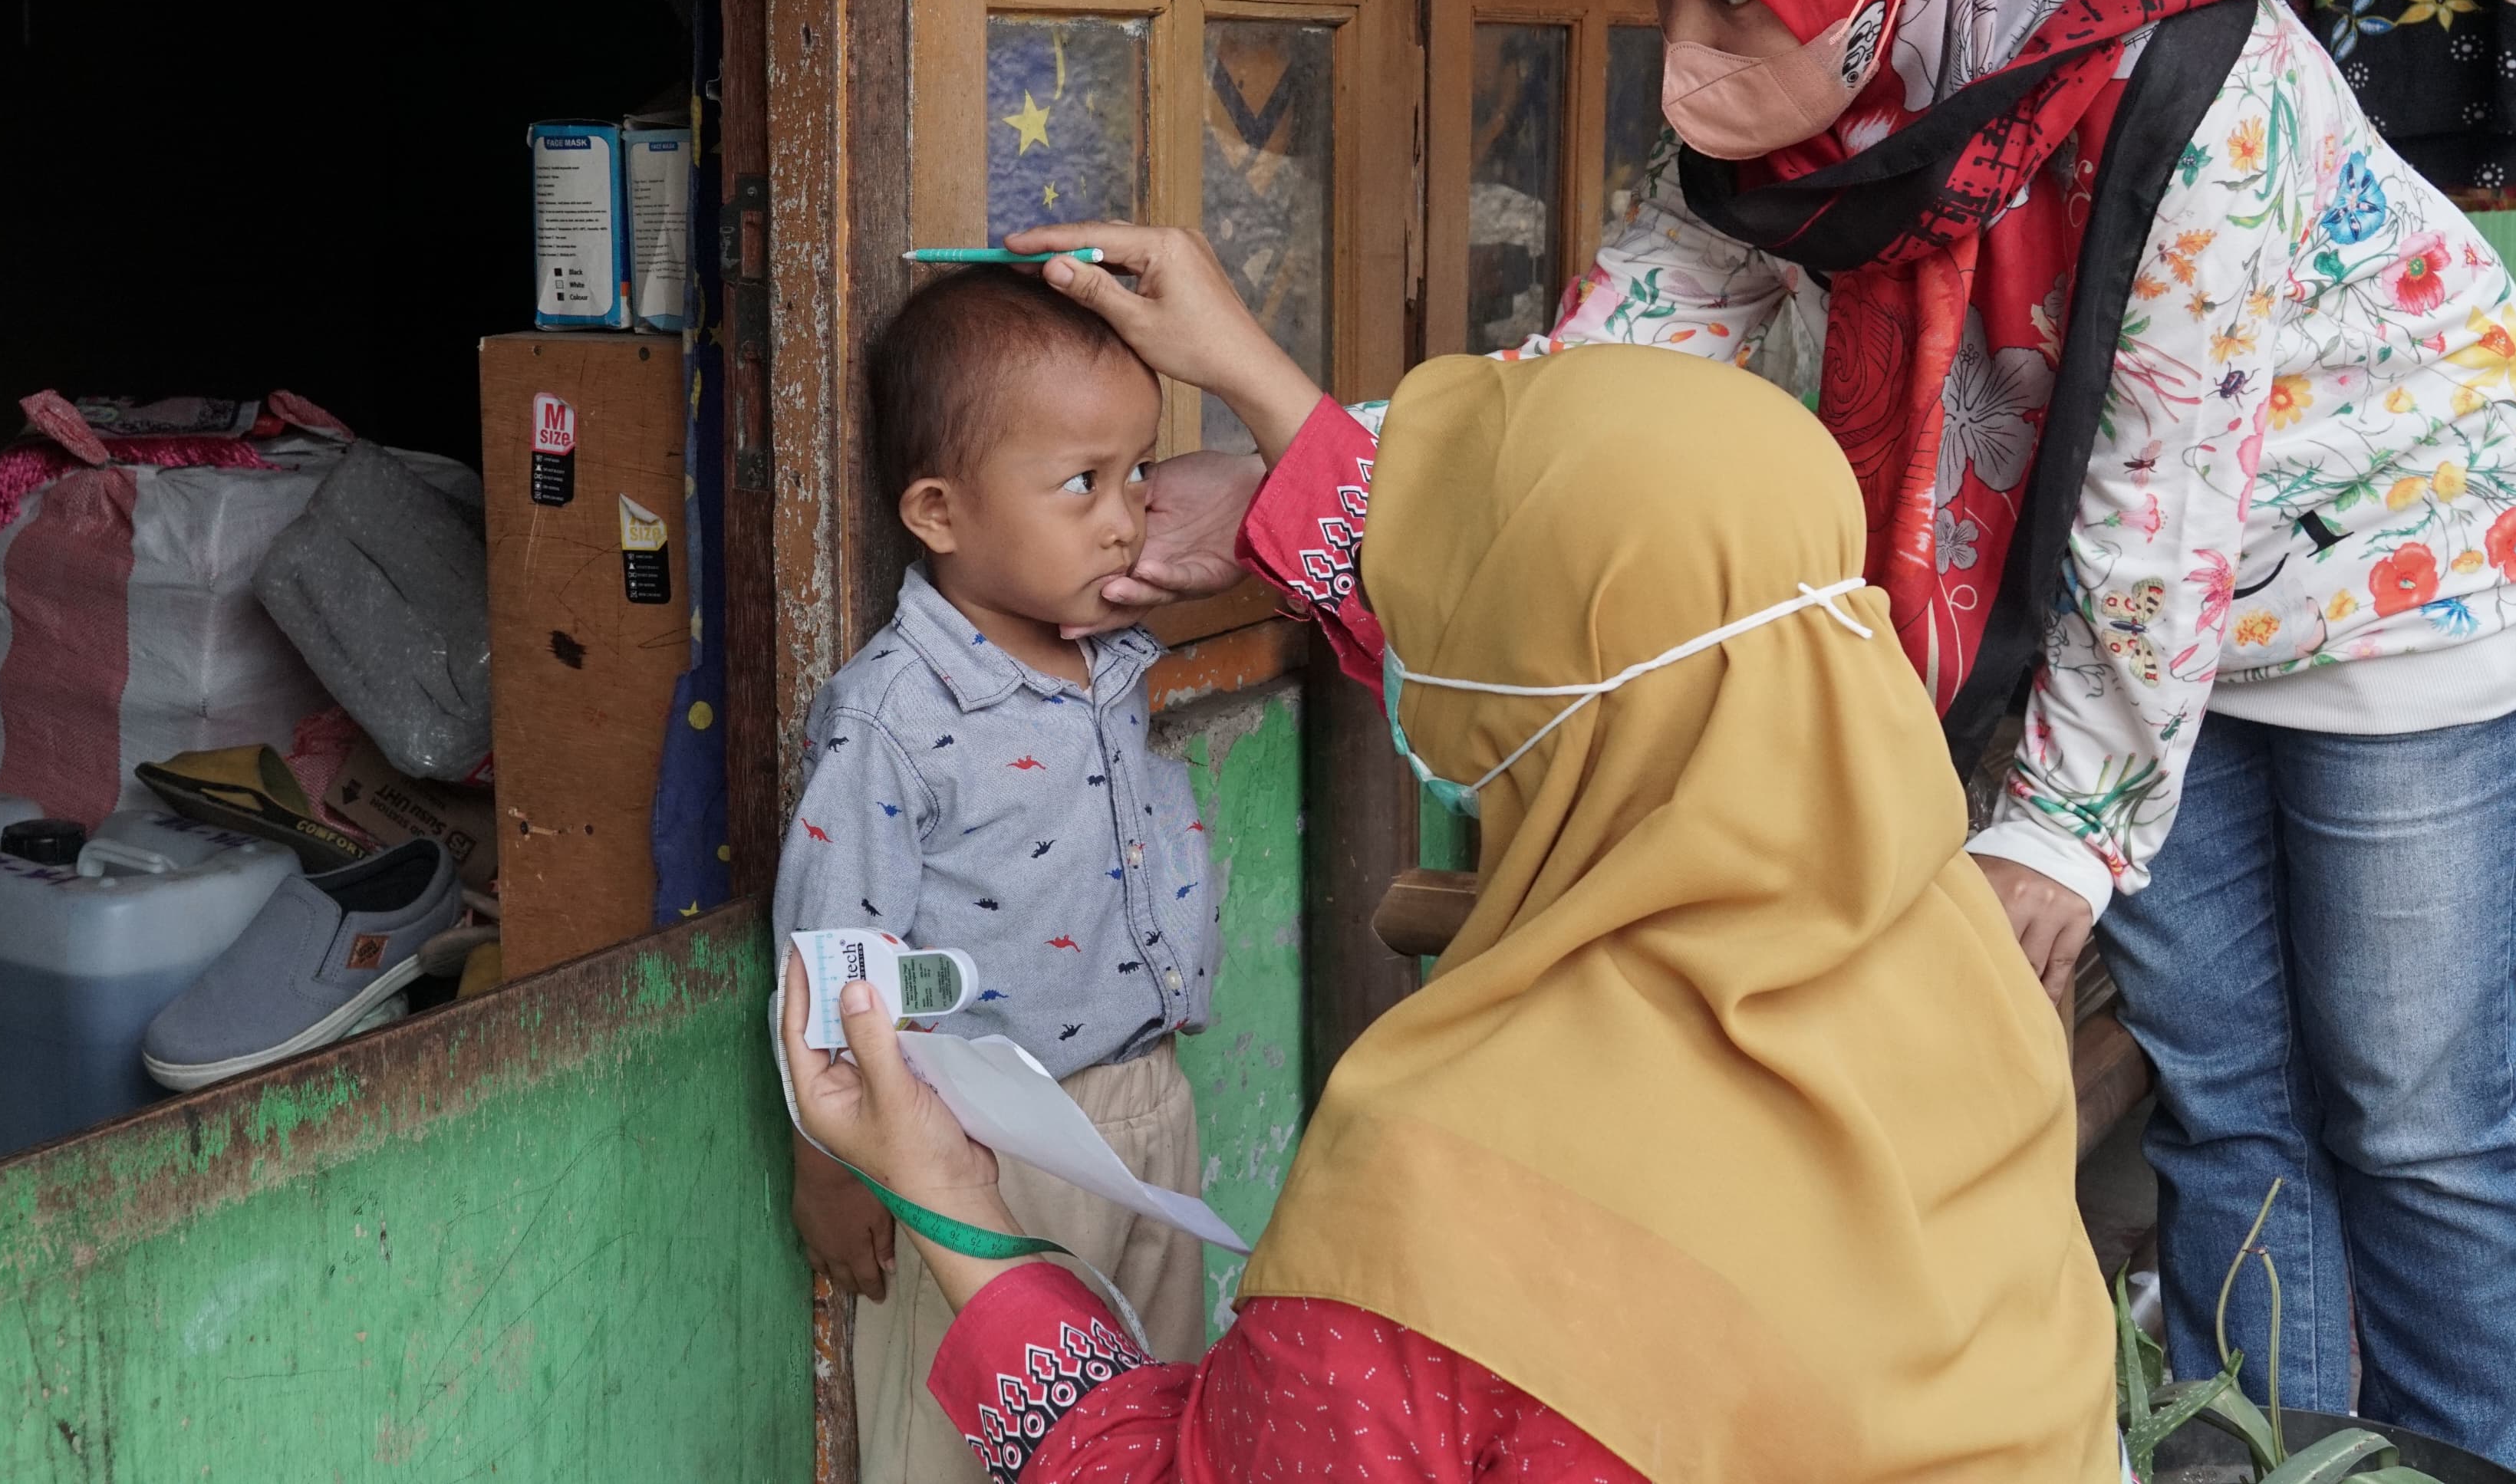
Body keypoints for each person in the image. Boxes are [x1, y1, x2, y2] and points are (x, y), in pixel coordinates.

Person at [1010, 0, 2516, 1463]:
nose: (1680, 63)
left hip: (2411, 581)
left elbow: (2156, 508)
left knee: (2407, 1111)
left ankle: (2449, 1461)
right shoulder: (1803, 110)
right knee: (2229, 1098)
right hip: (2152, 634)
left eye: (1730, 2)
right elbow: (1576, 430)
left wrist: (2050, 837)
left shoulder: (2191, 85)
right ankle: (2292, 1451)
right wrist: (1287, 436)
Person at [782, 344, 2119, 1483]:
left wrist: (957, 1211)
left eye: (1447, 623)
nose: (1405, 656)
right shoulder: (1975, 985)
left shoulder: (1451, 1210)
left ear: (1547, 709)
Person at [772, 268, 1217, 1484]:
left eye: (1138, 472)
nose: (1126, 516)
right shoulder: (894, 717)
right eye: (1083, 482)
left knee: (1152, 1418)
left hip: (1144, 1111)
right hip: (976, 1143)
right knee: (966, 1443)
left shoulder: (1110, 650)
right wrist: (833, 1163)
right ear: (939, 510)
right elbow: (830, 960)